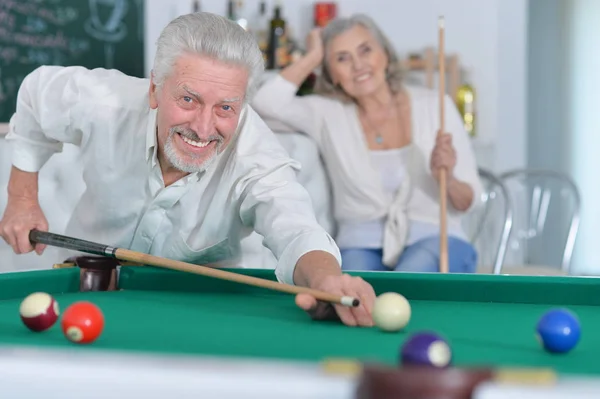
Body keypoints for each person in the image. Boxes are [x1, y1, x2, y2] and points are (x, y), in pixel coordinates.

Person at [0, 12, 376, 327]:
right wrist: (21, 198)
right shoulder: (104, 102)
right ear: (154, 90)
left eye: (226, 108)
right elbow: (36, 93)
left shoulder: (258, 157)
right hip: (83, 292)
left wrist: (326, 278)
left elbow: (296, 230)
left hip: (196, 315)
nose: (202, 127)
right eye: (188, 99)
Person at [252, 14, 483, 273]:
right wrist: (313, 56)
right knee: (352, 296)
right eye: (342, 58)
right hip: (360, 244)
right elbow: (262, 102)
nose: (358, 65)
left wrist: (448, 178)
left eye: (365, 50)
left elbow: (467, 202)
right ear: (331, 74)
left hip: (435, 238)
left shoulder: (435, 105)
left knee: (409, 282)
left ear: (384, 54)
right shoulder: (326, 114)